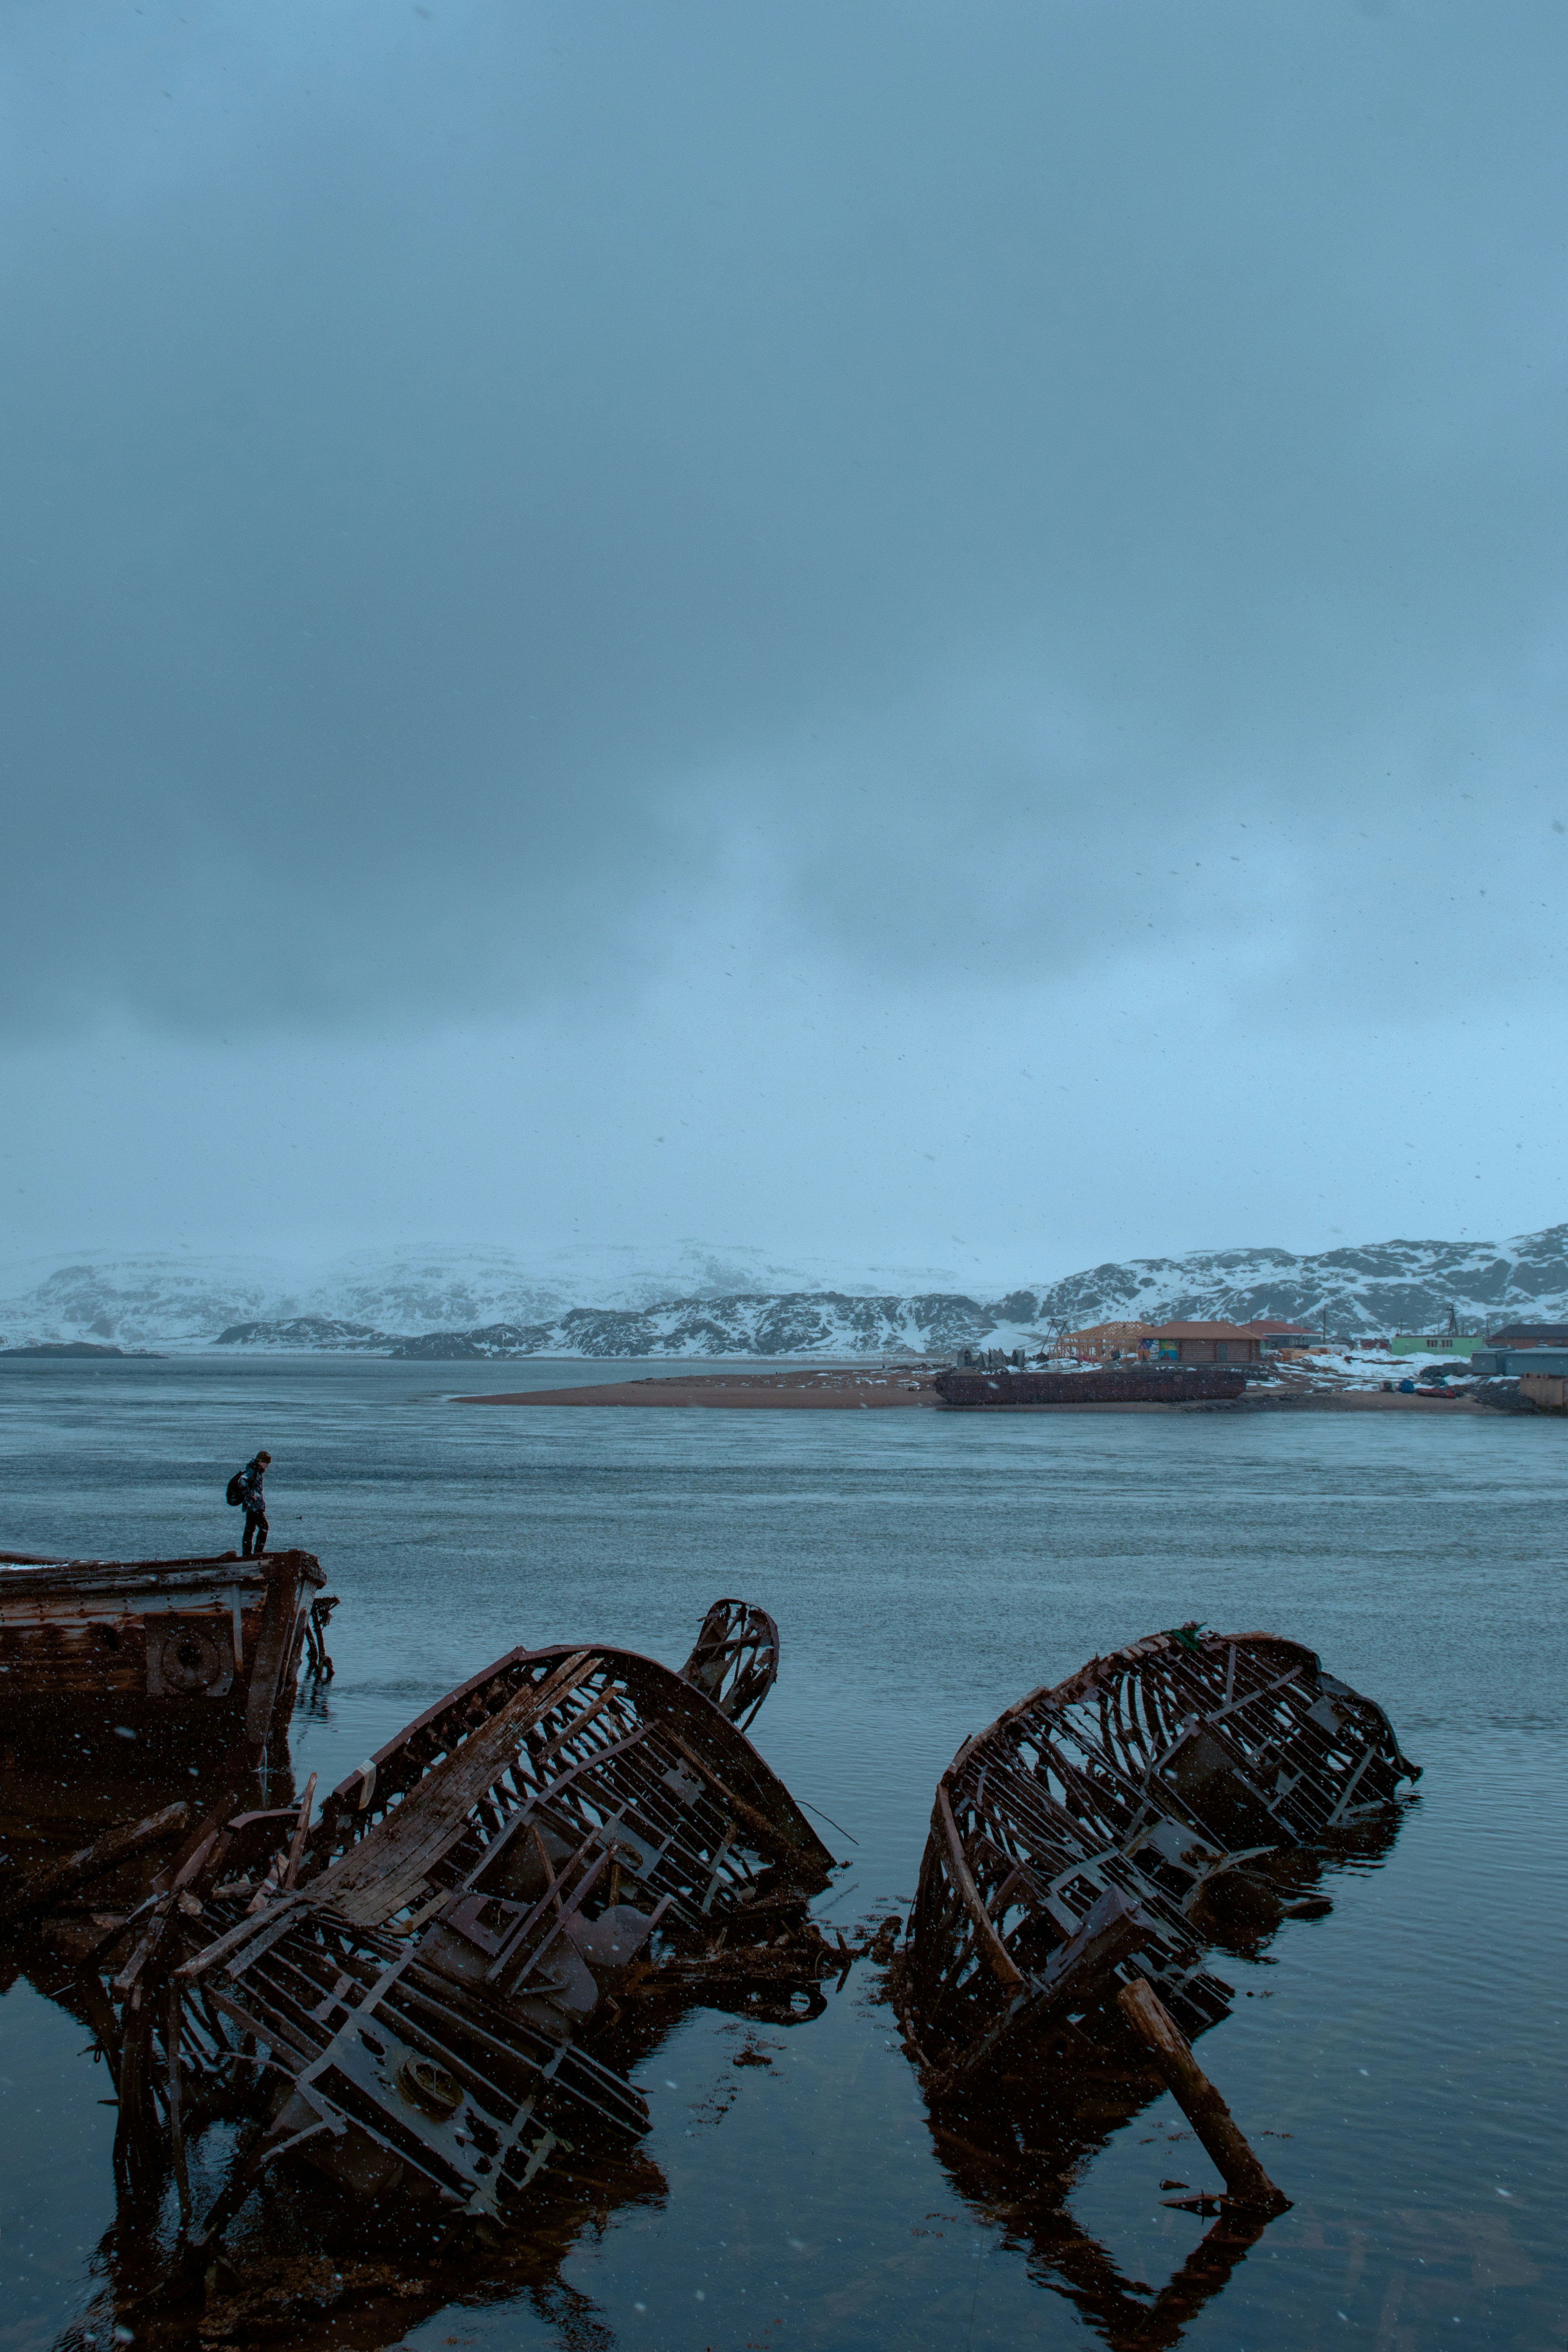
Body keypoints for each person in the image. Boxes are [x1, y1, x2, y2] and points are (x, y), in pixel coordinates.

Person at [238, 1449, 272, 1557]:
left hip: (251, 1506)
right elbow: (242, 1482)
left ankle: (247, 1555)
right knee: (264, 1527)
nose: (268, 1465)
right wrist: (251, 1494)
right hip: (254, 1507)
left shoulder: (255, 1471)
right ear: (261, 1461)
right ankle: (258, 1553)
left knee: (250, 1530)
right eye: (267, 1463)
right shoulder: (253, 1471)